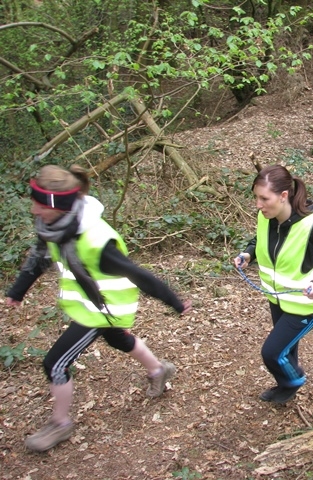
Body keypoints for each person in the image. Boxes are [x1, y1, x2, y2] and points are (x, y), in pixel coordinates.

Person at [5, 165, 192, 452]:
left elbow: (139, 275)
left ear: (58, 206)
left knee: (54, 363)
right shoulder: (53, 227)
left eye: (38, 205)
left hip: (101, 308)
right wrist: (17, 291)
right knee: (118, 339)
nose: (33, 211)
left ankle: (60, 424)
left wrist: (175, 301)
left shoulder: (96, 241)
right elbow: (40, 258)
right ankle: (158, 370)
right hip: (89, 303)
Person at [233, 165, 313, 405]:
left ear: (283, 196)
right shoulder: (266, 216)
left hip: (309, 302)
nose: (258, 204)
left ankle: (292, 381)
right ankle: (285, 384)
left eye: (264, 198)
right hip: (279, 296)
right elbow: (261, 239)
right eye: (256, 197)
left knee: (272, 352)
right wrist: (248, 254)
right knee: (286, 346)